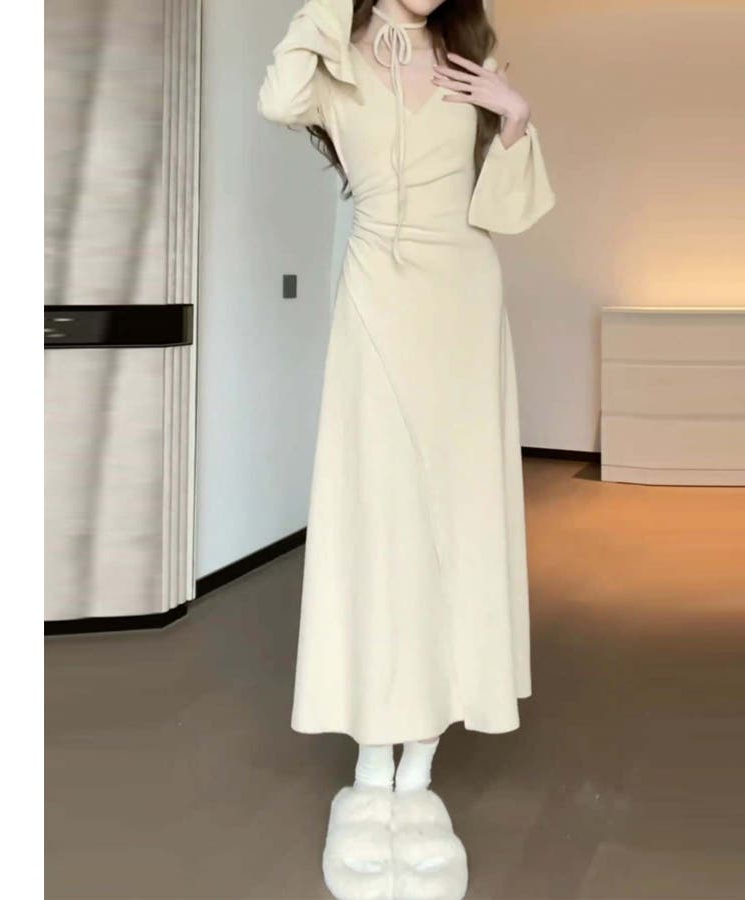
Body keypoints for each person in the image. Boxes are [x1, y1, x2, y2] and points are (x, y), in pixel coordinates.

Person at [258, 0, 555, 797]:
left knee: (459, 514)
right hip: (376, 295)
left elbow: (503, 210)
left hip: (463, 297)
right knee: (378, 511)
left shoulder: (467, 62)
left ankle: (422, 752)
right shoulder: (334, 58)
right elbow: (278, 100)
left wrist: (515, 117)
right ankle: (372, 743)